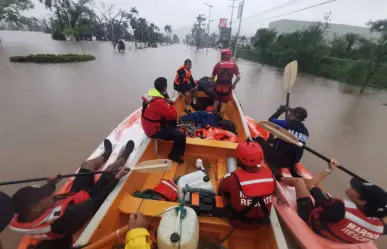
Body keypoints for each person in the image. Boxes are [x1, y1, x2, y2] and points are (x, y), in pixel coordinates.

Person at [9, 139, 134, 249]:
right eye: (44, 195)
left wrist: (51, 184)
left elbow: (36, 200)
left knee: (86, 165)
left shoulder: (27, 217)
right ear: (36, 207)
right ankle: (124, 156)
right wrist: (116, 178)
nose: (50, 195)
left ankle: (105, 155)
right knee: (111, 169)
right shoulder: (68, 216)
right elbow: (96, 202)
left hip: (74, 196)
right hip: (87, 201)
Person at [282, 159, 387, 244]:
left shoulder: (339, 208)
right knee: (319, 188)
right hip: (337, 226)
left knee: (299, 182)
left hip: (313, 221)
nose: (353, 186)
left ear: (362, 202)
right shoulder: (381, 228)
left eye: (357, 189)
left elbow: (310, 184)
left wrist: (329, 169)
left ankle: (278, 177)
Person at [218, 139, 283, 229]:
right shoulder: (270, 175)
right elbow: (277, 194)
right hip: (261, 223)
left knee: (222, 192)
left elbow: (221, 188)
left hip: (238, 223)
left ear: (239, 160)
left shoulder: (232, 178)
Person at [255, 105, 309, 179]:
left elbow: (270, 120)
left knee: (259, 139)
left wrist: (280, 111)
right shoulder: (306, 132)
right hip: (292, 162)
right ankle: (293, 170)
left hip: (278, 160)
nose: (288, 114)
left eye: (290, 113)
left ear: (294, 116)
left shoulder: (285, 123)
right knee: (291, 148)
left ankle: (274, 168)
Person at [142, 77, 186, 164]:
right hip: (153, 131)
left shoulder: (151, 94)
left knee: (169, 120)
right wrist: (172, 104)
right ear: (165, 87)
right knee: (180, 135)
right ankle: (174, 155)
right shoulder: (159, 102)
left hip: (147, 125)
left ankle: (171, 130)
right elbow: (173, 116)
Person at [211, 48, 241, 118]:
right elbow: (239, 77)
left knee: (216, 101)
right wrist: (233, 85)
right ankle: (220, 119)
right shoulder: (234, 65)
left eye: (222, 54)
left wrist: (212, 84)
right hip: (227, 88)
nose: (221, 56)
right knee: (224, 103)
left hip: (218, 86)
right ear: (229, 56)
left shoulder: (217, 65)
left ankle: (213, 117)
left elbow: (212, 77)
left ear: (224, 55)